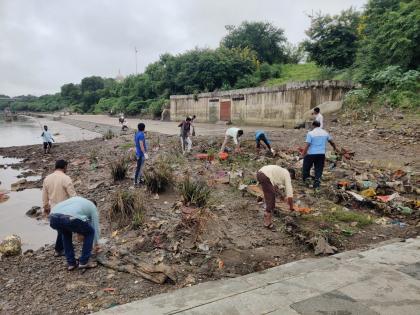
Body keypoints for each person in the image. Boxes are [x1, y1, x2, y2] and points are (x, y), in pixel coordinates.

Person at [49, 197, 100, 270]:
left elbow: (78, 221)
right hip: (69, 218)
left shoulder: (77, 200)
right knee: (90, 232)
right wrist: (96, 243)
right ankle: (83, 262)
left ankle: (71, 263)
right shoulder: (92, 207)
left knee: (66, 234)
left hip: (53, 217)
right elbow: (95, 226)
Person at [42, 160, 77, 256]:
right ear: (65, 167)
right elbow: (73, 196)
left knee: (61, 229)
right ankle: (60, 249)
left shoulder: (47, 179)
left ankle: (60, 248)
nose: (67, 169)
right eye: (67, 167)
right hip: (65, 209)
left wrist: (46, 208)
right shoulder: (65, 178)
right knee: (65, 230)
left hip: (54, 209)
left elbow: (44, 197)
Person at [301, 120, 338, 189]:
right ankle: (317, 183)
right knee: (319, 169)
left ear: (313, 125)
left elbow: (308, 144)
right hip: (321, 154)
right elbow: (331, 142)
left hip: (311, 154)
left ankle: (306, 181)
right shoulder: (325, 133)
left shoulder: (310, 133)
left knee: (306, 167)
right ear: (319, 125)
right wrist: (335, 148)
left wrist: (303, 153)